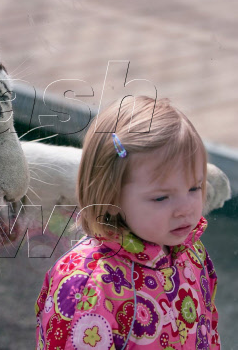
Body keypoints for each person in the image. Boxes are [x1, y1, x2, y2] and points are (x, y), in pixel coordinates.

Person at [35, 96, 220, 349]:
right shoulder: (88, 287)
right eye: (161, 197)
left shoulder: (190, 253)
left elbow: (207, 329)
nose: (186, 208)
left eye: (194, 187)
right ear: (110, 197)